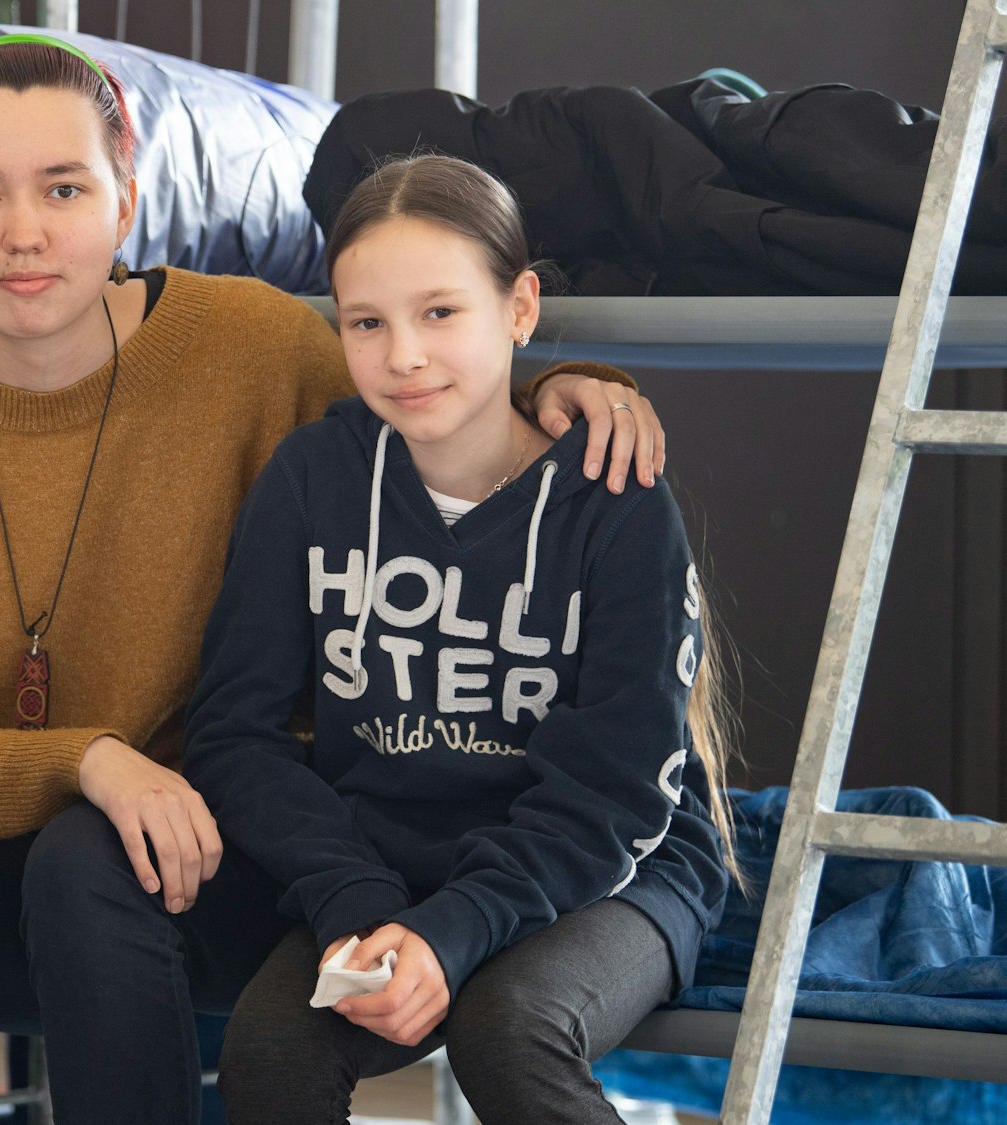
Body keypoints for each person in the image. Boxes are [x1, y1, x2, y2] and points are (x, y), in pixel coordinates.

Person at [0, 36, 665, 1125]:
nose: (21, 232)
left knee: (88, 854)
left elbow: (428, 374)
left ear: (124, 201)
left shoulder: (249, 341)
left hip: (206, 857)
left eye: (63, 188)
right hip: (5, 834)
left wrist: (578, 388)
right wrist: (86, 759)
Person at [182, 153, 737, 1123]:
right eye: (366, 322)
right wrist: (356, 901)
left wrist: (454, 930)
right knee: (270, 1054)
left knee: (504, 1026)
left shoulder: (610, 498)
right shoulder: (312, 475)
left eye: (439, 312)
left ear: (518, 308)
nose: (402, 354)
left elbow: (615, 792)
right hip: (384, 865)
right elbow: (234, 734)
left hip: (607, 868)